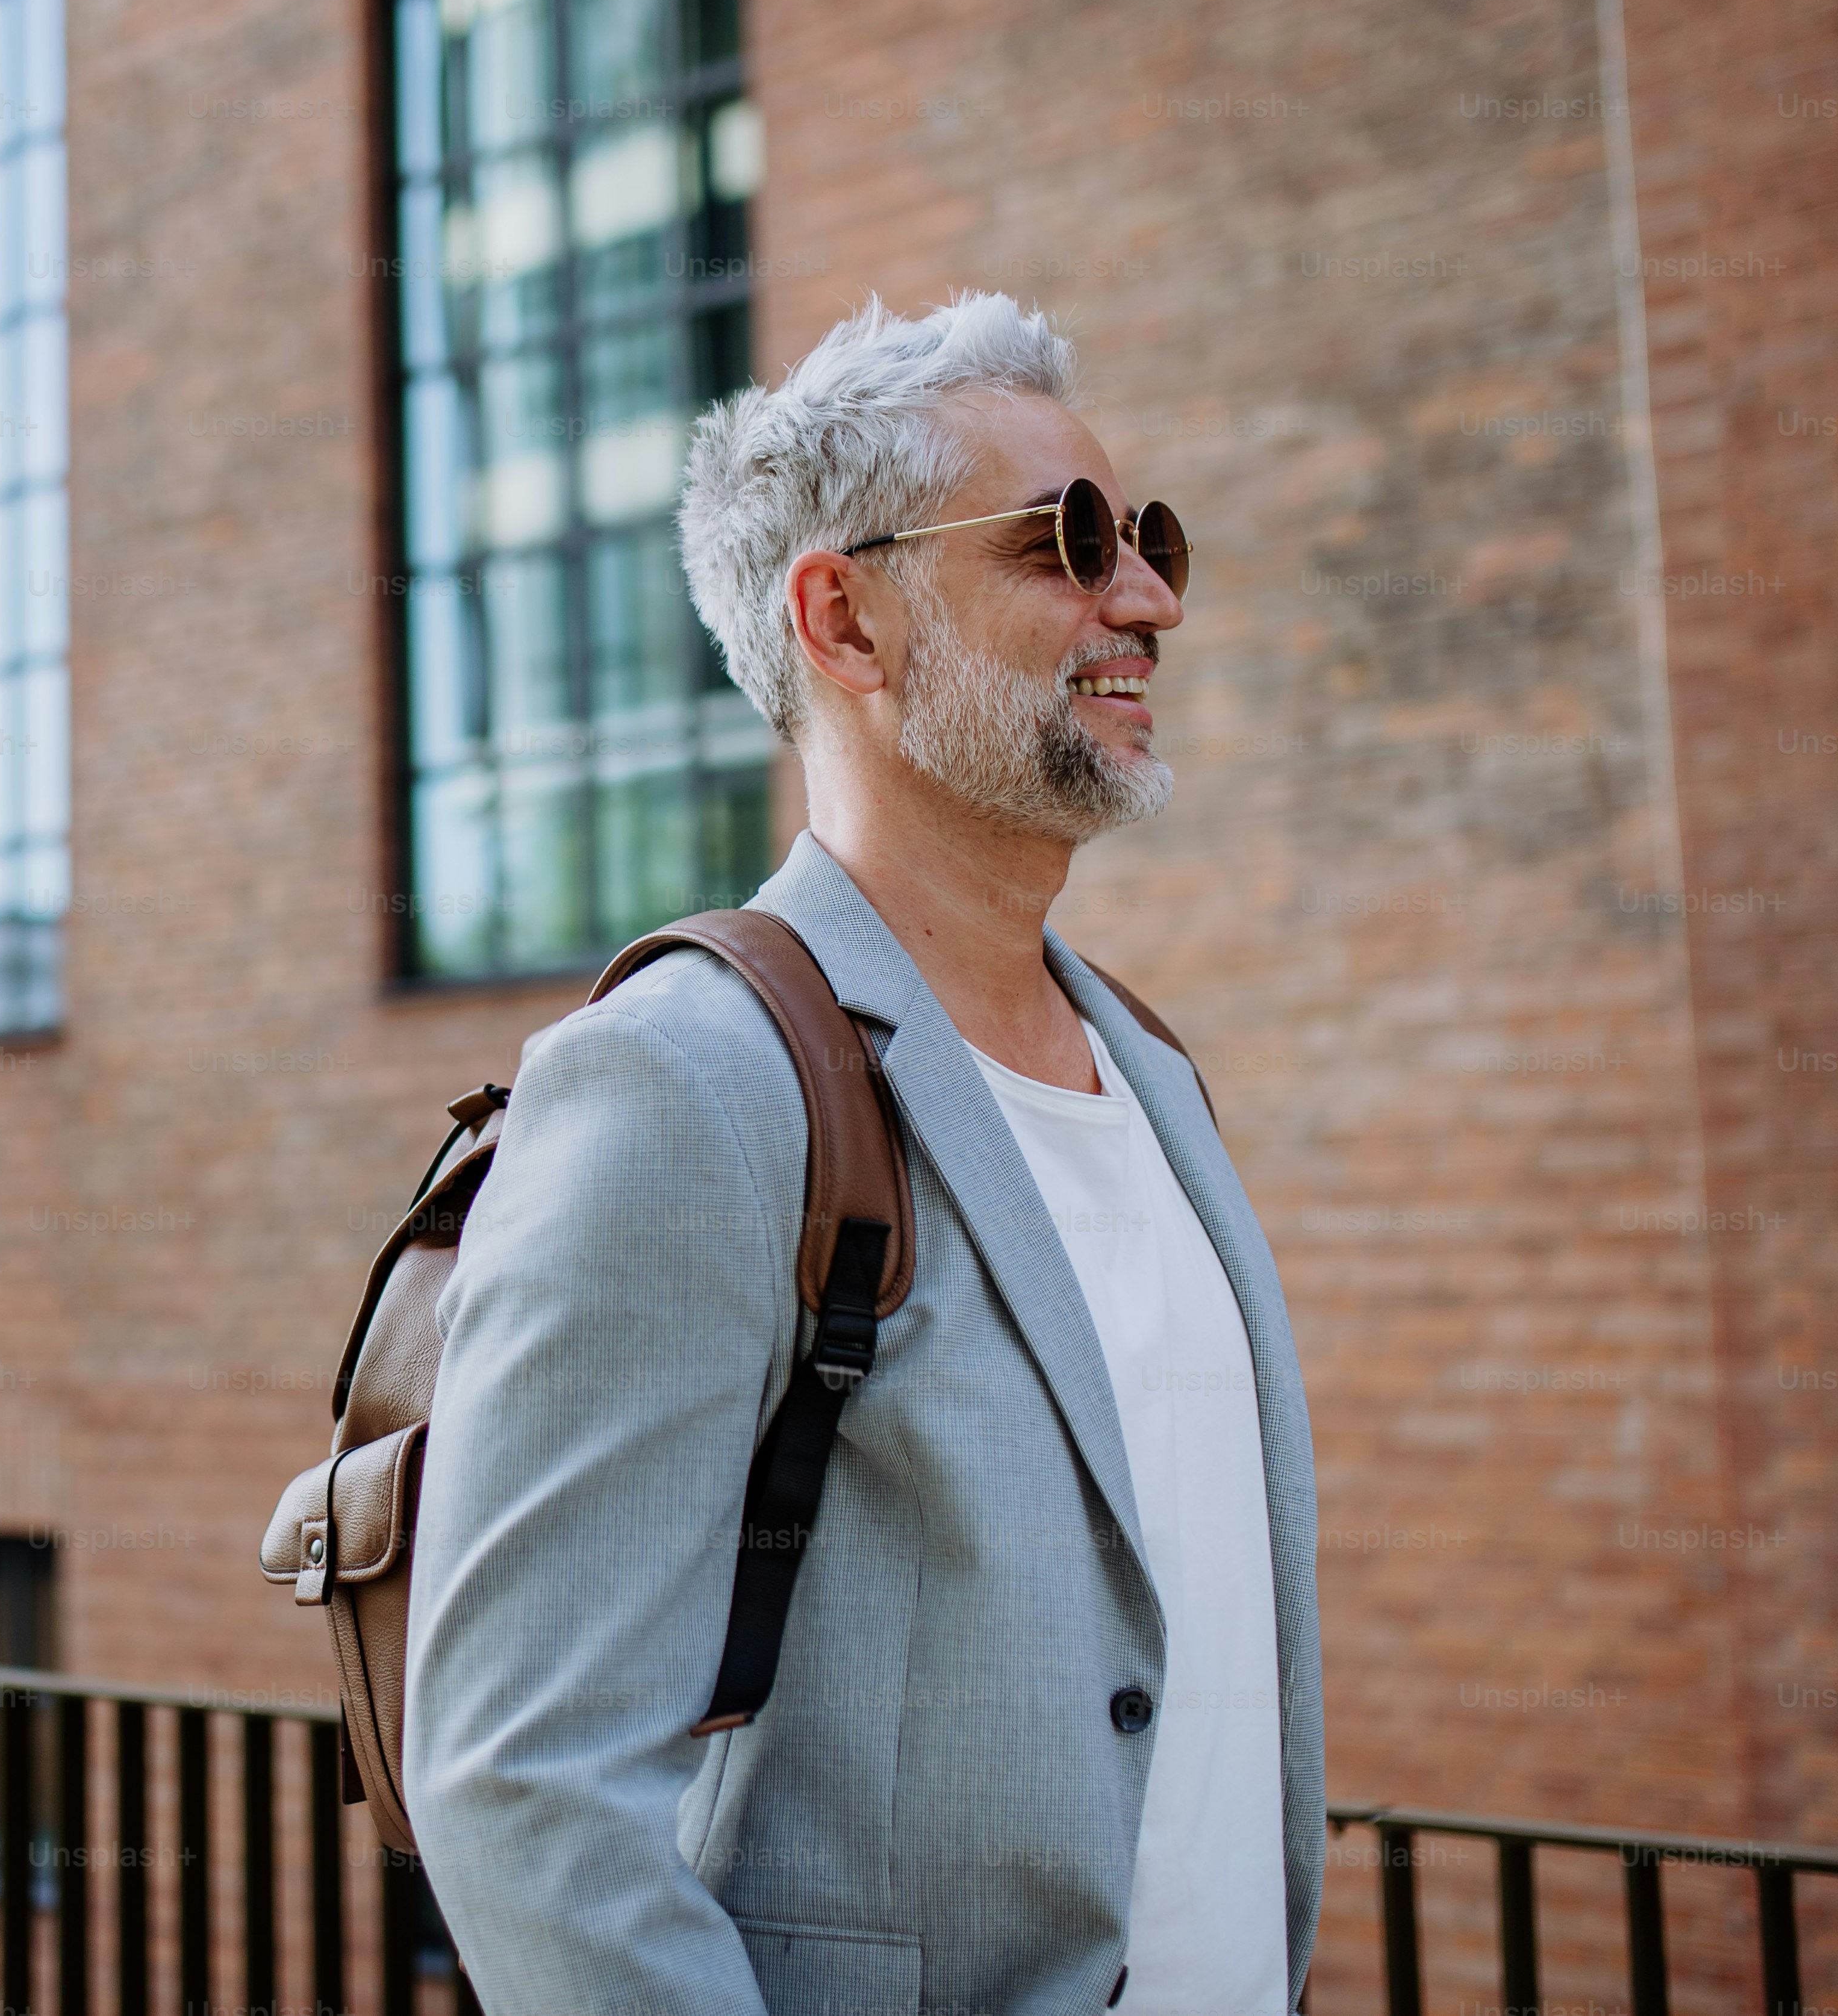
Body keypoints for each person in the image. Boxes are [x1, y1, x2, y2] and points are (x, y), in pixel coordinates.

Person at [403, 293, 1322, 2015]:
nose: (1151, 599)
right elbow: (526, 1780)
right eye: (1068, 542)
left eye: (1150, 539)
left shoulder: (1160, 1077)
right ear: (849, 621)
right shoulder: (687, 1082)